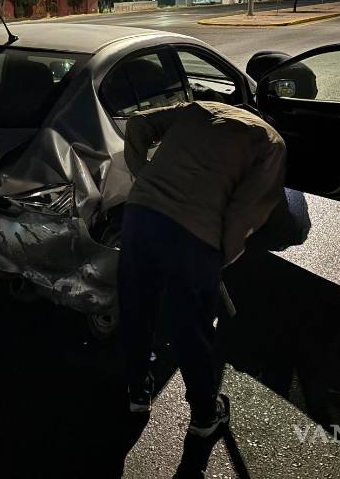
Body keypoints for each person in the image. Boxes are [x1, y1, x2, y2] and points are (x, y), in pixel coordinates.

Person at [119, 100, 286, 437]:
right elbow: (247, 210)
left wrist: (144, 176)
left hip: (140, 215)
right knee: (190, 328)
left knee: (136, 310)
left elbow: (137, 123)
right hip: (195, 236)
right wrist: (219, 255)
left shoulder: (198, 108)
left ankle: (137, 392)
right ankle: (204, 416)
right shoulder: (270, 141)